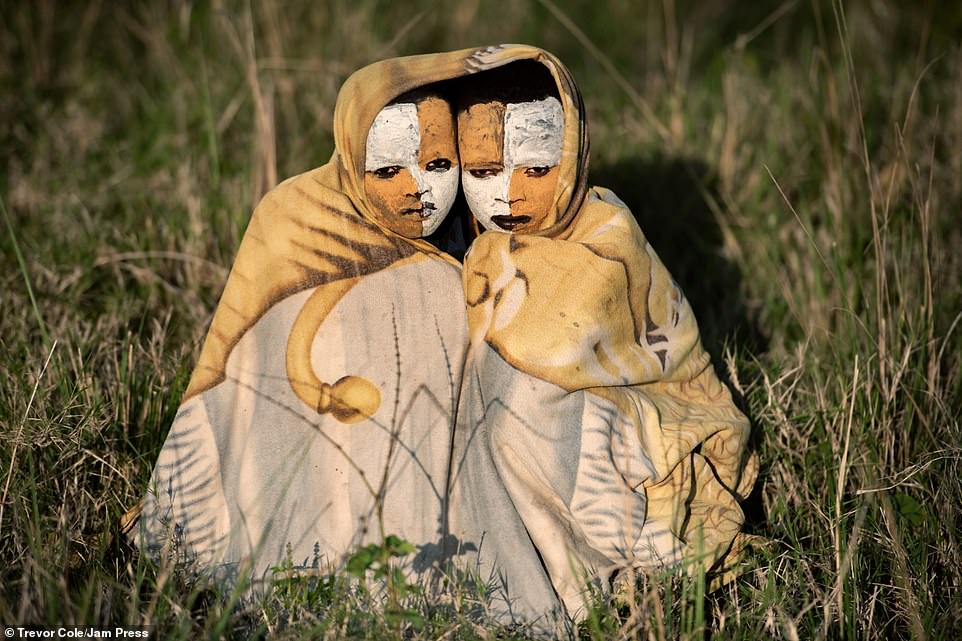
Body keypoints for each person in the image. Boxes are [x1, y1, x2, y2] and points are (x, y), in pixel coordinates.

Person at [129, 54, 472, 588]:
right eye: (386, 170)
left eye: (438, 165)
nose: (416, 187)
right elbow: (242, 376)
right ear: (352, 155)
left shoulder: (475, 238)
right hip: (304, 483)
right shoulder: (293, 217)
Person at [447, 45, 757, 620]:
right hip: (528, 452)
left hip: (639, 443)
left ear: (571, 156)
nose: (510, 193)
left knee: (525, 407)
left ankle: (591, 585)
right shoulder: (466, 248)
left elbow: (571, 355)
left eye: (536, 169)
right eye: (485, 173)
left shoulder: (605, 234)